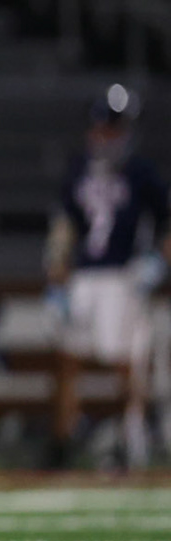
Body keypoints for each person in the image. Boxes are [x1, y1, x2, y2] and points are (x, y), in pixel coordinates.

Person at [46, 85, 170, 469]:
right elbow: (65, 226)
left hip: (122, 276)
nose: (106, 135)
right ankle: (62, 444)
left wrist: (158, 264)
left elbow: (167, 225)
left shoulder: (141, 172)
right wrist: (57, 274)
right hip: (84, 277)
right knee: (68, 359)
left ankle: (131, 435)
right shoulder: (78, 168)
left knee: (123, 360)